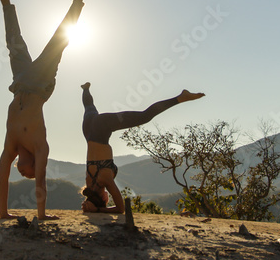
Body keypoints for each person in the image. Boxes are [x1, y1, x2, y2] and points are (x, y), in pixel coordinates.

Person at [0, 0, 95, 221]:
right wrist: (41, 215)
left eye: (25, 174)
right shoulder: (40, 146)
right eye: (27, 174)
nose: (25, 174)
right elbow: (41, 182)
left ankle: (6, 2)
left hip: (20, 83)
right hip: (40, 83)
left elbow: (2, 180)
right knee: (60, 40)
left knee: (14, 43)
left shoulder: (10, 147)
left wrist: (4, 213)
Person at [79, 82, 204, 214]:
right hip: (88, 130)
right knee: (89, 107)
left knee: (145, 116)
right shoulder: (89, 181)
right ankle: (85, 89)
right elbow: (91, 198)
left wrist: (99, 210)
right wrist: (90, 205)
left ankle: (181, 97)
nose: (108, 197)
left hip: (101, 127)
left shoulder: (105, 180)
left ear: (103, 199)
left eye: (106, 200)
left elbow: (120, 209)